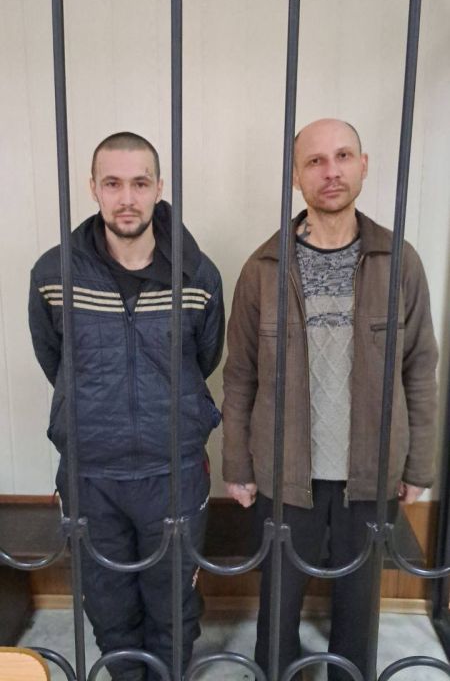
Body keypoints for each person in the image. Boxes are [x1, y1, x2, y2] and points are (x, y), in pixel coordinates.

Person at [222, 119, 438, 681]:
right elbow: (240, 375)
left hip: (370, 471)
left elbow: (420, 369)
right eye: (315, 161)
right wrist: (238, 465)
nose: (331, 171)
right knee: (278, 605)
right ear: (296, 177)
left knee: (359, 607)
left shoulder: (400, 262)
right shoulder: (264, 267)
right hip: (284, 471)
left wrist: (418, 464)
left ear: (363, 165)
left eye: (343, 156)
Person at [29, 132, 224, 681]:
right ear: (93, 187)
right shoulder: (53, 274)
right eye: (112, 183)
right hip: (91, 472)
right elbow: (55, 359)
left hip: (173, 470)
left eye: (140, 183)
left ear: (159, 188)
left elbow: (205, 357)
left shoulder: (198, 274)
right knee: (108, 603)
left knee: (173, 604)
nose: (127, 198)